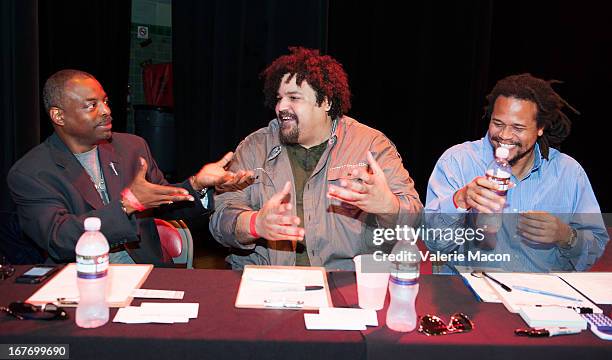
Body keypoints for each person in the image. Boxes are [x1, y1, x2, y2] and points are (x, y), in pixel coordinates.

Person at [8, 69, 253, 265]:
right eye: (91, 105)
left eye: (105, 101)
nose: (106, 111)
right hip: (79, 283)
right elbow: (59, 239)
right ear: (59, 116)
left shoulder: (131, 148)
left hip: (147, 274)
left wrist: (198, 185)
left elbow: (166, 207)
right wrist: (128, 203)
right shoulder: (31, 172)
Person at [209, 47, 422, 269]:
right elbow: (220, 221)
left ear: (326, 103)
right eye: (279, 98)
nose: (281, 107)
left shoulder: (370, 146)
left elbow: (414, 222)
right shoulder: (255, 147)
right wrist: (255, 224)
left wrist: (389, 206)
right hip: (267, 282)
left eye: (294, 98)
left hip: (344, 283)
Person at [425, 73, 608, 272]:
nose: (504, 136)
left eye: (518, 128)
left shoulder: (569, 173)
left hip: (542, 297)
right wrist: (460, 201)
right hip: (471, 294)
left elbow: (595, 249)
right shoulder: (457, 162)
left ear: (540, 127)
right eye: (498, 123)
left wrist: (566, 236)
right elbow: (434, 245)